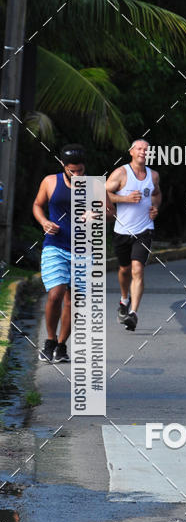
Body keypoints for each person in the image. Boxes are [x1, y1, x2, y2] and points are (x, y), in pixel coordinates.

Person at [33, 145, 86, 362]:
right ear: (63, 166)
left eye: (80, 170)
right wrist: (44, 221)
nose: (76, 175)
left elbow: (110, 212)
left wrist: (96, 213)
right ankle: (50, 340)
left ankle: (62, 346)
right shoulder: (50, 181)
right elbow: (37, 205)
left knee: (74, 301)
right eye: (72, 171)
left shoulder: (93, 186)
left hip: (83, 249)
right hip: (55, 245)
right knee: (55, 294)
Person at [106, 140, 161, 332]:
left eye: (147, 149)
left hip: (145, 230)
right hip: (122, 231)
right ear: (131, 151)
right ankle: (124, 299)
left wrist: (155, 208)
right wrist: (124, 199)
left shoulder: (153, 175)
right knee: (124, 270)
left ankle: (134, 314)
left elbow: (156, 194)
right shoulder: (121, 173)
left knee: (138, 269)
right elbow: (104, 192)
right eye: (139, 148)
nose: (143, 152)